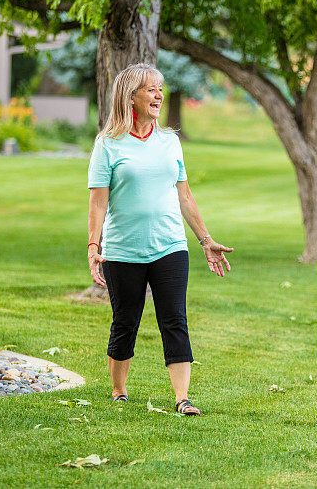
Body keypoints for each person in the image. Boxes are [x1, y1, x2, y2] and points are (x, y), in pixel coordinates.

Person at [87, 63, 232, 416]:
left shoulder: (169, 141)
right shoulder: (108, 144)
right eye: (150, 89)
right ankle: (119, 390)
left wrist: (205, 239)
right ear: (130, 96)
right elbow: (98, 200)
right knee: (125, 321)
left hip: (170, 246)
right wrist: (94, 245)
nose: (158, 95)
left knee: (174, 319)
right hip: (123, 250)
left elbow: (184, 195)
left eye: (160, 88)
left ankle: (182, 398)